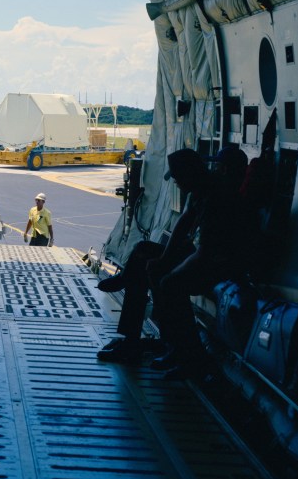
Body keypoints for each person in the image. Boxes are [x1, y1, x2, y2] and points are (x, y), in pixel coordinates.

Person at [95, 147, 251, 374]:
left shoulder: (217, 199)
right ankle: (132, 340)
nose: (176, 182)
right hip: (203, 255)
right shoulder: (200, 190)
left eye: (178, 178)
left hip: (220, 265)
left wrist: (168, 269)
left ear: (190, 174)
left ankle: (187, 356)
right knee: (143, 251)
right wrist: (164, 257)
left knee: (168, 283)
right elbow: (183, 223)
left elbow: (205, 253)